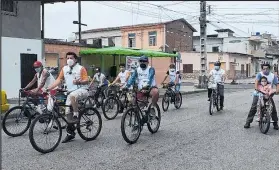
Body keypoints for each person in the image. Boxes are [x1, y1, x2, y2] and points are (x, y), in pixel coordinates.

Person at [46, 52, 89, 143]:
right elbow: (59, 80)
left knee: (73, 96)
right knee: (66, 111)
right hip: (69, 92)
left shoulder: (81, 68)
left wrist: (79, 82)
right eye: (68, 58)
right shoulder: (64, 69)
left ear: (76, 59)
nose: (69, 59)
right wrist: (50, 88)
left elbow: (86, 80)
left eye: (71, 58)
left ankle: (76, 115)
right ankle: (70, 133)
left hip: (82, 90)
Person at [244, 63, 279, 129]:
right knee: (254, 106)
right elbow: (256, 82)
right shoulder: (260, 74)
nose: (265, 70)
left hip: (267, 93)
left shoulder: (272, 76)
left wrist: (277, 90)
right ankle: (248, 122)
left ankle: (275, 123)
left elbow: (277, 84)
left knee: (273, 107)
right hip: (259, 92)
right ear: (262, 69)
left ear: (269, 69)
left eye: (267, 69)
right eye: (264, 69)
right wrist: (256, 89)